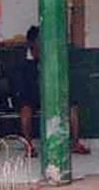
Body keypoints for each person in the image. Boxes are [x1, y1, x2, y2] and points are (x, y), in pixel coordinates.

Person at [14, 26, 90, 157]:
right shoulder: (25, 62)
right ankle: (29, 145)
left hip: (53, 93)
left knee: (72, 107)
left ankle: (75, 143)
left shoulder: (53, 57)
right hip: (32, 96)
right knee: (25, 110)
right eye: (38, 41)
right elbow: (23, 86)